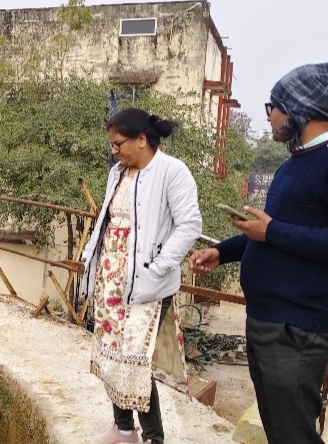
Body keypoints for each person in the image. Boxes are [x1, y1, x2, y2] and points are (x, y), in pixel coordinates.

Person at [189, 59, 328, 444]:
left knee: (293, 435)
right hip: (268, 318)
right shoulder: (294, 164)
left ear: (299, 109)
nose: (269, 116)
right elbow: (273, 235)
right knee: (279, 431)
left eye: (272, 107)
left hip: (298, 327)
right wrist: (223, 252)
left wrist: (272, 230)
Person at [82, 108, 202, 444]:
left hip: (148, 284)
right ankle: (123, 429)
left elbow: (190, 224)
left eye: (118, 144)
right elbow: (107, 220)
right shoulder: (118, 173)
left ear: (141, 139)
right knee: (111, 353)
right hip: (111, 279)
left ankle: (153, 438)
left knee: (136, 360)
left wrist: (160, 265)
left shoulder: (172, 172)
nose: (114, 151)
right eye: (112, 144)